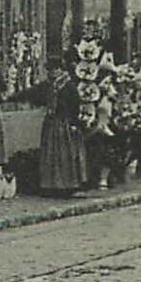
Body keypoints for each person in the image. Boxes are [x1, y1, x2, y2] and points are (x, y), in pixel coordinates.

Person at [38, 66, 86, 195]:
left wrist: (74, 122)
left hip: (64, 123)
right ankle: (51, 185)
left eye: (55, 69)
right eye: (50, 69)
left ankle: (68, 184)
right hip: (51, 122)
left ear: (61, 70)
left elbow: (75, 104)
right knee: (51, 154)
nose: (52, 72)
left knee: (65, 154)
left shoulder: (68, 85)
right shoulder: (49, 85)